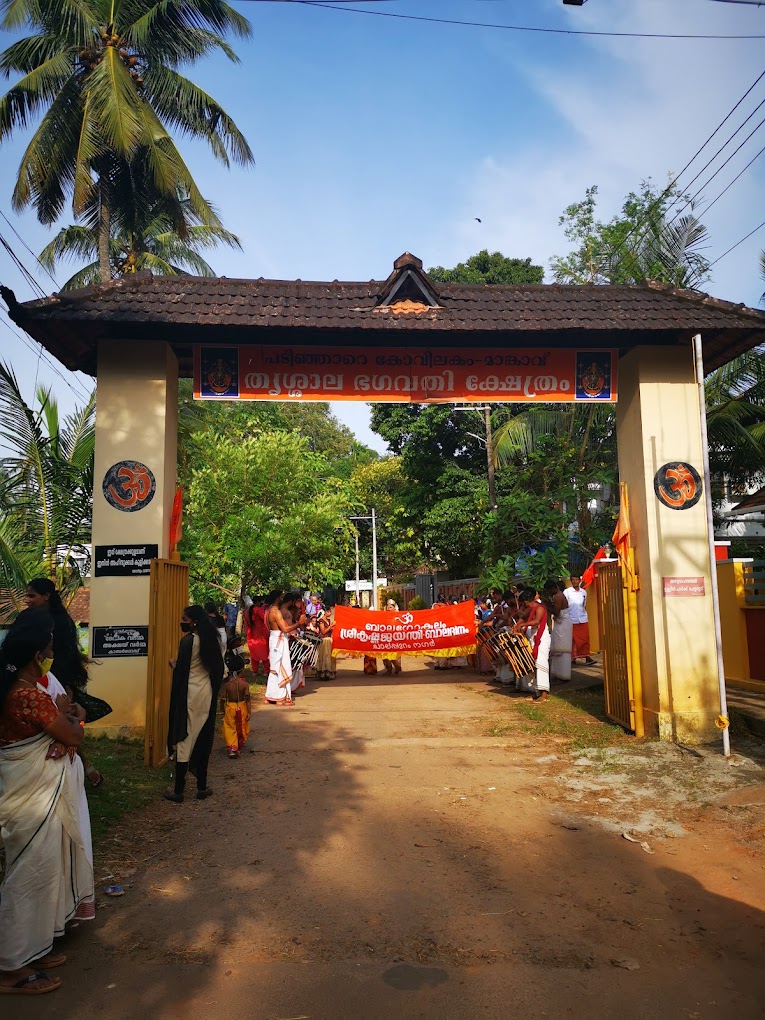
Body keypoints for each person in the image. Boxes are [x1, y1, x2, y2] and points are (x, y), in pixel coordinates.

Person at [0, 610, 94, 996]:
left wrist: (71, 718)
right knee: (28, 877)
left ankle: (30, 951)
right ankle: (10, 969)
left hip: (30, 792)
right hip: (30, 798)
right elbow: (74, 733)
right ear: (39, 654)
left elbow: (70, 721)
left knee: (40, 873)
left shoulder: (24, 688)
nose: (56, 647)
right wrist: (70, 722)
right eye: (51, 641)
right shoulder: (25, 695)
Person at [25, 578, 109, 786]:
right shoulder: (31, 619)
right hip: (38, 680)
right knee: (59, 729)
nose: (27, 600)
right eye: (27, 596)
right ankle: (83, 768)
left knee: (66, 727)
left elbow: (66, 656)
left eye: (32, 596)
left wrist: (63, 687)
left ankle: (77, 770)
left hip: (57, 682)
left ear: (46, 596)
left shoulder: (60, 623)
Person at [165, 605, 225, 802]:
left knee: (185, 735)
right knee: (202, 735)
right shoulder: (210, 640)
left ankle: (179, 790)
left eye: (184, 618)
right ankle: (201, 786)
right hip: (205, 692)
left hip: (189, 693)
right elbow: (214, 668)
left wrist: (174, 666)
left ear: (193, 621)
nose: (182, 622)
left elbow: (183, 669)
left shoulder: (188, 641)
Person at [265, 592, 305, 705]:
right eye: (281, 597)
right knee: (282, 668)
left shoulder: (269, 611)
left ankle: (271, 695)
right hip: (279, 640)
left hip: (275, 639)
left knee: (276, 668)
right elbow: (285, 629)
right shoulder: (275, 612)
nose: (283, 599)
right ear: (277, 599)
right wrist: (299, 624)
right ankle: (280, 697)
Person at [514, 588, 551, 702]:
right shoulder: (531, 609)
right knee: (533, 664)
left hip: (542, 639)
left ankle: (544, 694)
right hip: (534, 638)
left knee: (541, 663)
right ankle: (536, 692)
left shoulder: (539, 608)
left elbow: (537, 621)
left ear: (526, 602)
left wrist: (522, 625)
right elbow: (523, 617)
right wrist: (517, 626)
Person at [220, 652, 250, 758]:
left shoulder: (227, 685)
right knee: (241, 725)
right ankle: (239, 744)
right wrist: (249, 712)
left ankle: (233, 748)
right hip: (242, 707)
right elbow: (247, 699)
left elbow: (223, 699)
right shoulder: (244, 685)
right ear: (241, 671)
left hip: (230, 707)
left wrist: (222, 710)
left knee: (230, 726)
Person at [545, 579, 573, 683]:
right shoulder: (558, 595)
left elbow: (556, 613)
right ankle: (558, 674)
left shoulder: (557, 596)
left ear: (553, 588)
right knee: (557, 649)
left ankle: (563, 676)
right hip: (560, 624)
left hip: (563, 625)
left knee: (562, 650)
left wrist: (546, 606)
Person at [564, 576, 596, 665]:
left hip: (582, 618)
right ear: (571, 581)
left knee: (585, 638)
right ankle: (573, 658)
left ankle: (587, 657)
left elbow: (584, 605)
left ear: (579, 580)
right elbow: (565, 606)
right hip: (571, 619)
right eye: (573, 580)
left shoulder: (584, 592)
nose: (575, 582)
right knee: (573, 640)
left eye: (576, 580)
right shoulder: (567, 592)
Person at [244, 596, 270, 677]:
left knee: (254, 654)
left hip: (251, 634)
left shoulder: (246, 611)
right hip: (260, 634)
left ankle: (254, 671)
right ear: (258, 602)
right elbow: (265, 618)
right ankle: (266, 671)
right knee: (265, 653)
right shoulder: (258, 610)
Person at [315, 605, 337, 681]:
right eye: (329, 611)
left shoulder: (329, 620)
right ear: (325, 612)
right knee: (325, 656)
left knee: (330, 656)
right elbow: (323, 631)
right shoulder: (321, 621)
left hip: (329, 639)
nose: (330, 613)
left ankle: (330, 672)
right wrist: (330, 626)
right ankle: (324, 673)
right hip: (324, 640)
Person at [382, 598, 402, 675]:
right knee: (385, 654)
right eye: (388, 607)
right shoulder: (385, 615)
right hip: (386, 638)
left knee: (395, 655)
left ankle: (397, 668)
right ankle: (388, 669)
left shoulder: (399, 616)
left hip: (396, 638)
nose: (389, 609)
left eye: (390, 607)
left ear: (394, 607)